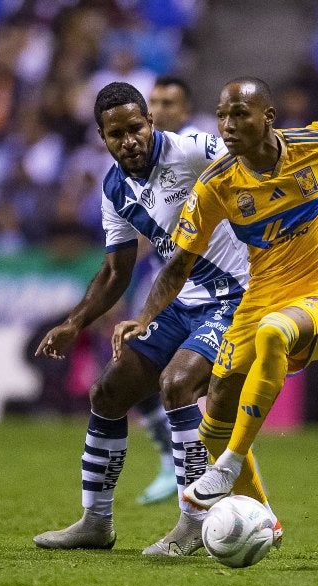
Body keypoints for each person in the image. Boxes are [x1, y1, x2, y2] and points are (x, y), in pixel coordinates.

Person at [113, 77, 318, 513]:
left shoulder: (315, 142)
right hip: (257, 301)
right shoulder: (217, 185)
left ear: (268, 117)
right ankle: (262, 517)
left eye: (239, 114)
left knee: (274, 334)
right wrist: (145, 318)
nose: (227, 125)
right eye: (222, 116)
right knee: (215, 415)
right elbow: (179, 264)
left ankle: (231, 463)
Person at [32, 81, 269, 556]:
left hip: (239, 297)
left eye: (136, 127)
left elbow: (260, 151)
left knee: (177, 384)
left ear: (151, 123)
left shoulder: (194, 149)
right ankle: (95, 522)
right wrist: (75, 322)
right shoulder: (114, 189)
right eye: (116, 133)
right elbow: (117, 270)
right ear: (103, 138)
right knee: (108, 390)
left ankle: (194, 521)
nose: (129, 140)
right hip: (182, 301)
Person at [131, 76, 207, 506]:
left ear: (186, 108)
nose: (158, 109)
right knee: (132, 362)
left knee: (197, 386)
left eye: (168, 102)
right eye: (153, 102)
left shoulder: (198, 148)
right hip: (169, 281)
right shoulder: (145, 160)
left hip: (214, 286)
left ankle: (216, 477)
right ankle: (168, 461)